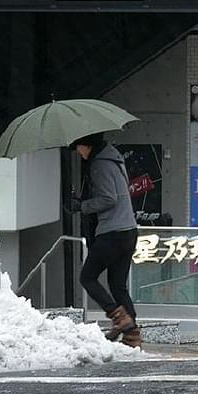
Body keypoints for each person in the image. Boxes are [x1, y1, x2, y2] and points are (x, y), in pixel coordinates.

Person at [65, 133, 142, 348]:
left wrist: (82, 206)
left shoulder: (100, 164)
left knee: (87, 277)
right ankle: (131, 335)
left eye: (78, 148)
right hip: (128, 230)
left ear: (87, 145)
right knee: (118, 285)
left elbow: (109, 198)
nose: (78, 153)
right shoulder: (114, 159)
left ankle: (120, 318)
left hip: (112, 232)